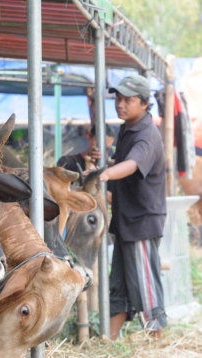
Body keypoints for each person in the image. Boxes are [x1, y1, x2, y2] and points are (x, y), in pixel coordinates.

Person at [97, 75, 167, 339]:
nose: (120, 104)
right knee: (121, 284)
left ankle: (157, 344)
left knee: (145, 285)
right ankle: (109, 340)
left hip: (142, 223)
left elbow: (133, 164)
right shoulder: (127, 128)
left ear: (146, 103)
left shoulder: (147, 134)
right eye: (118, 98)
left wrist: (106, 174)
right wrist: (101, 168)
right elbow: (121, 164)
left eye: (129, 99)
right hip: (127, 220)